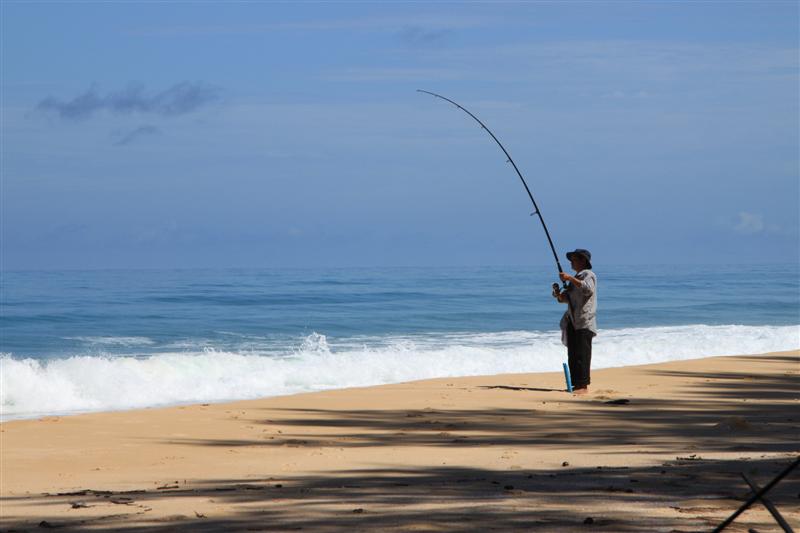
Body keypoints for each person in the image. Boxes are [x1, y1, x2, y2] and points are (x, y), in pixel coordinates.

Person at [552, 249, 597, 395]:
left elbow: (588, 289)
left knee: (582, 355)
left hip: (584, 322)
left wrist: (570, 279)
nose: (571, 262)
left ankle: (583, 386)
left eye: (574, 259)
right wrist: (558, 294)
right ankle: (576, 385)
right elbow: (565, 299)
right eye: (571, 259)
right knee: (573, 355)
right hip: (572, 321)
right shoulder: (576, 278)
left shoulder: (588, 275)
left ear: (583, 261)